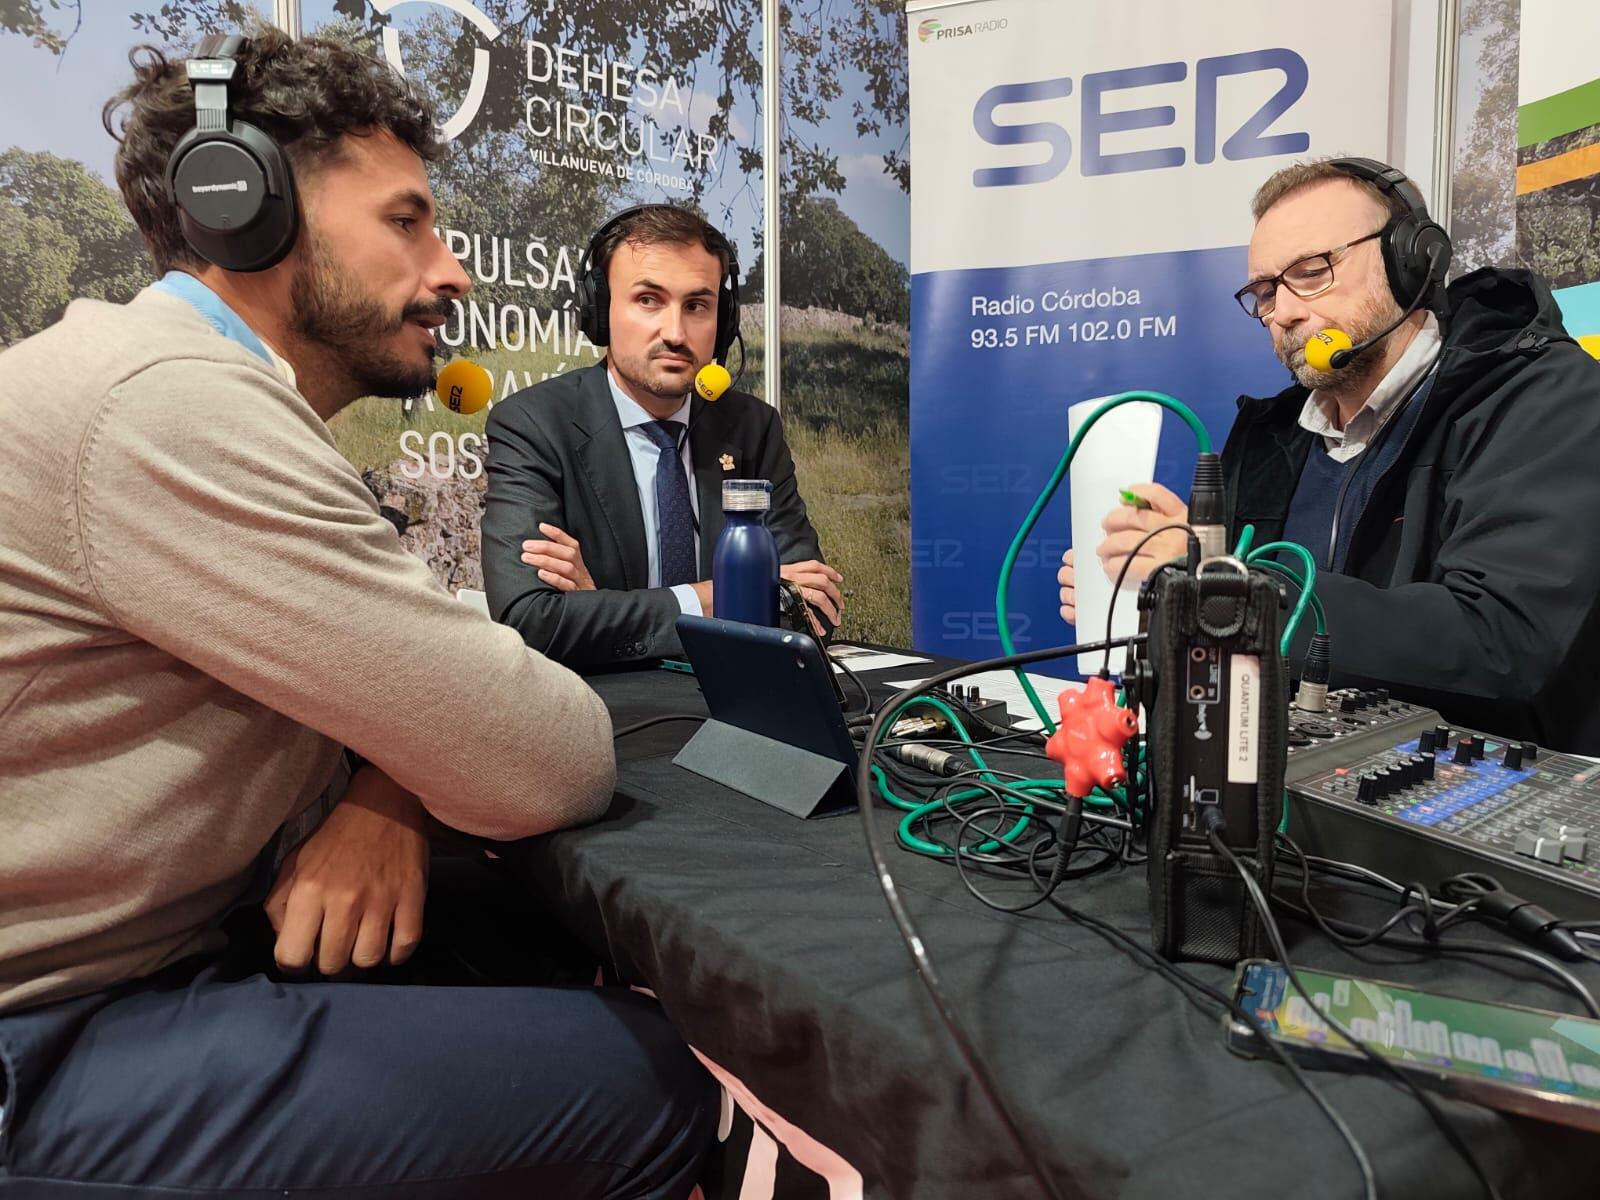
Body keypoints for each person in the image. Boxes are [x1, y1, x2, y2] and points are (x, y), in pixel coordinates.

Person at [0, 29, 715, 1199]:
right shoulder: (167, 408)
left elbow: (406, 688)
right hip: (44, 1033)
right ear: (246, 210)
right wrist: (417, 752)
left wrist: (384, 788)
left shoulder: (185, 385)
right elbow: (543, 751)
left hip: (147, 956)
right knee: (646, 1087)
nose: (453, 270)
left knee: (525, 935)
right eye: (406, 222)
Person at [1058, 156, 1600, 753]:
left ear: (1411, 260)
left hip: (1459, 807)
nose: (1284, 312)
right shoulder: (1266, 437)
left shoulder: (1545, 398)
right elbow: (1228, 646)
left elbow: (1501, 640)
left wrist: (1220, 581)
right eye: (1264, 292)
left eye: (1312, 273)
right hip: (1268, 798)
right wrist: (1149, 600)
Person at [481, 204, 843, 668]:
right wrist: (735, 592)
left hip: (746, 705)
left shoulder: (753, 428)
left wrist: (604, 606)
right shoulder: (533, 424)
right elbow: (532, 621)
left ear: (724, 320)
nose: (675, 333)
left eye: (696, 306)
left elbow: (812, 605)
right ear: (601, 310)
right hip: (613, 720)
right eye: (648, 300)